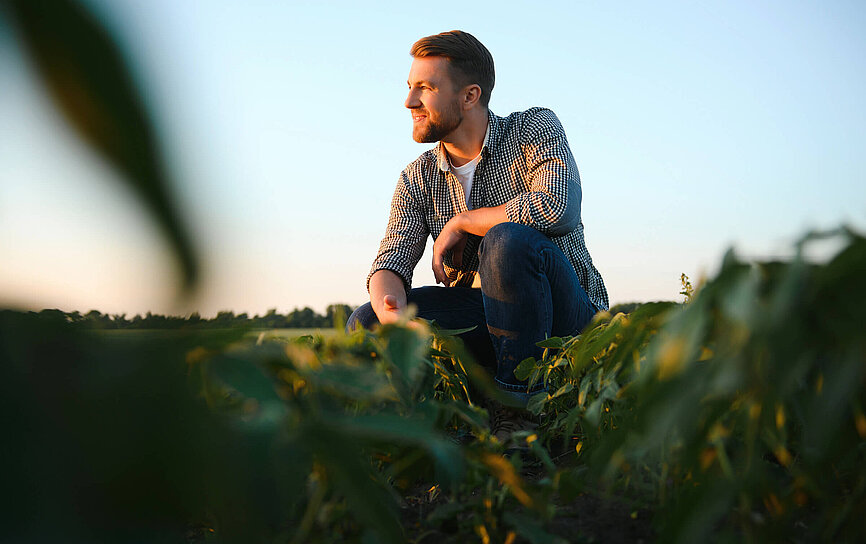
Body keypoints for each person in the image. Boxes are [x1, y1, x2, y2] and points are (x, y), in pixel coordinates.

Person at [348, 30, 608, 436]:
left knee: (506, 240)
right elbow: (391, 260)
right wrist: (391, 313)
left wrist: (464, 221)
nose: (409, 101)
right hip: (491, 322)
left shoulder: (532, 129)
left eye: (425, 88)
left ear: (469, 96)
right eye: (409, 87)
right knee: (366, 320)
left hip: (568, 320)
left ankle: (517, 411)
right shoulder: (417, 177)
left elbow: (558, 207)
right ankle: (432, 420)